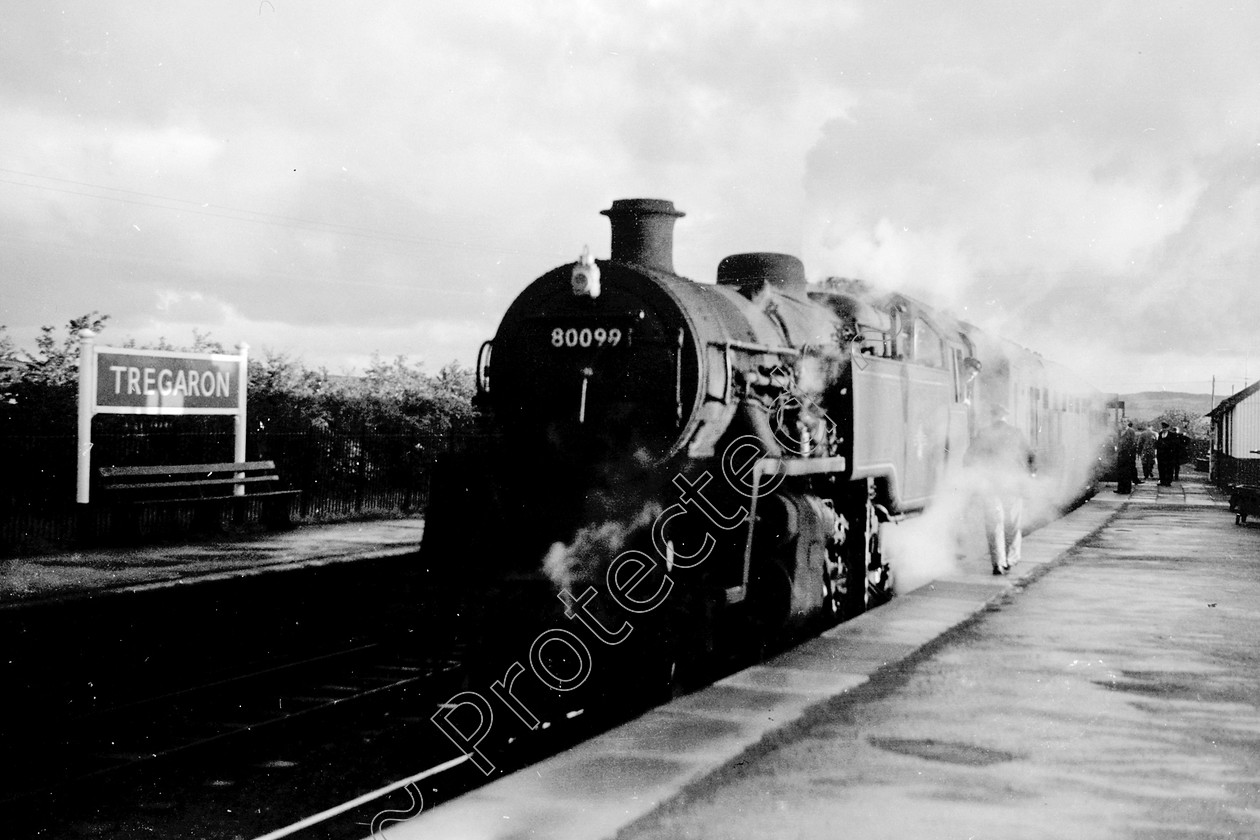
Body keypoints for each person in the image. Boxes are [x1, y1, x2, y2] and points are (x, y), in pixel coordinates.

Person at [965, 403, 1036, 575]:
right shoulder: (1016, 433)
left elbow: (968, 458)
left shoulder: (983, 434)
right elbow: (1030, 457)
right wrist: (1029, 474)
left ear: (992, 416)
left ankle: (997, 563)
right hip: (1012, 485)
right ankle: (1010, 559)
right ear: (1006, 416)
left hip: (989, 485)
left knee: (994, 524)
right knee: (1012, 524)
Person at [1115, 421, 1138, 493]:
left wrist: (1130, 453)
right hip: (1121, 454)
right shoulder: (1120, 431)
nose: (1123, 423)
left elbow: (1133, 442)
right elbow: (1118, 442)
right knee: (1120, 472)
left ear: (1127, 423)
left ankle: (1127, 489)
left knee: (1127, 472)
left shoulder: (1131, 431)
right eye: (1122, 422)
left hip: (1127, 454)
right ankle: (1120, 488)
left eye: (1125, 422)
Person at [1155, 422, 1175, 486]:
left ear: (1168, 428)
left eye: (1165, 428)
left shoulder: (1172, 435)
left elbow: (1173, 445)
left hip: (1169, 455)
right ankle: (1162, 480)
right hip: (1161, 455)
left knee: (1169, 468)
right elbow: (1157, 444)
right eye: (1163, 428)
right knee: (1161, 468)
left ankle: (1168, 481)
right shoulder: (1160, 434)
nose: (1164, 429)